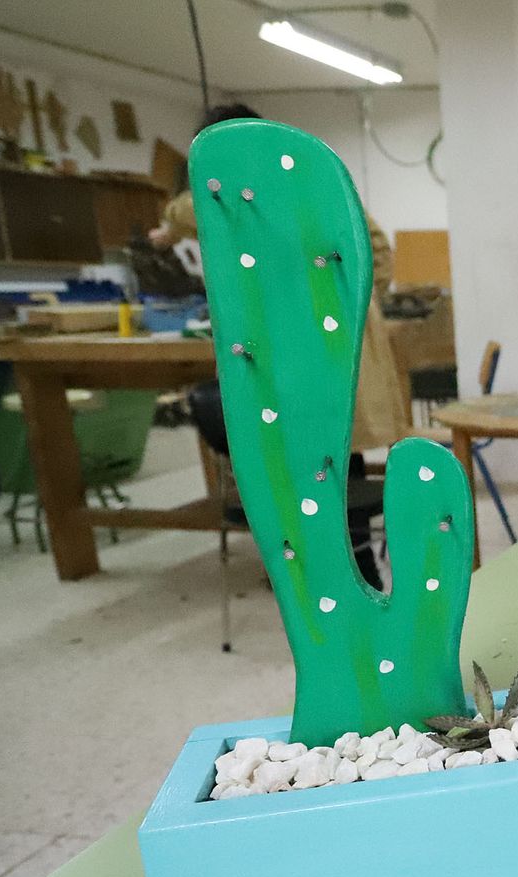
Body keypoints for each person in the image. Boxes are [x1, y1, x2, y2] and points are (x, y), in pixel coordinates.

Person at [152, 104, 406, 590]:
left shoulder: (243, 181)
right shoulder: (310, 173)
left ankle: (331, 569)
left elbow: (189, 204)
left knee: (311, 458)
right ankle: (341, 568)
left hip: (304, 344)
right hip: (332, 332)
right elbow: (378, 247)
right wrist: (361, 298)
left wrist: (172, 222)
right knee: (333, 453)